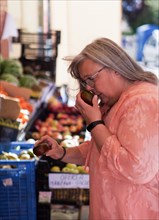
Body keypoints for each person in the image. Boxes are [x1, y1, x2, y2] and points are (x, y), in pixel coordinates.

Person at [34, 37, 159, 220]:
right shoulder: (118, 102)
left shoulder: (142, 101)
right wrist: (61, 153)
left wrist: (95, 124)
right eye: (85, 83)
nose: (90, 88)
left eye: (91, 79)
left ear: (115, 67)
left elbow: (136, 169)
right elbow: (102, 149)